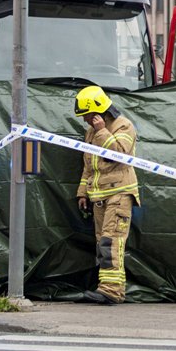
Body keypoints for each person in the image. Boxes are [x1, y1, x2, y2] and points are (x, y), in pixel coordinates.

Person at [74, 85, 139, 305]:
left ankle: (111, 291)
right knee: (102, 242)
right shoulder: (91, 131)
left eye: (87, 115)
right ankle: (109, 288)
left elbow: (120, 155)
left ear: (98, 111)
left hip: (119, 194)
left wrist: (102, 131)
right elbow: (89, 165)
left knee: (111, 242)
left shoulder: (124, 126)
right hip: (99, 196)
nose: (85, 120)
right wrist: (83, 192)